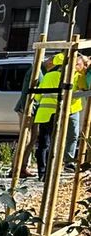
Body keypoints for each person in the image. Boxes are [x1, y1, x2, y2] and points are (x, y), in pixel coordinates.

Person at [33, 52, 87, 181]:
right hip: (56, 112)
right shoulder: (73, 77)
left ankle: (43, 173)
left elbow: (37, 96)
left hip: (47, 113)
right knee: (53, 143)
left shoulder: (50, 75)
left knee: (45, 144)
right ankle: (49, 171)